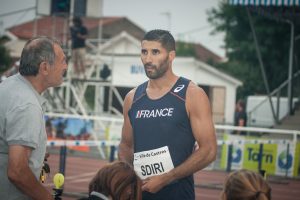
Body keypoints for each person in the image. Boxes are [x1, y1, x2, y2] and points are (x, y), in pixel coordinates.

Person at [118, 29, 217, 200]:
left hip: (178, 194)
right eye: (144, 52)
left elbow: (209, 150)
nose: (148, 59)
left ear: (171, 56)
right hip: (140, 194)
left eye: (155, 52)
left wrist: (167, 177)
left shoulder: (192, 94)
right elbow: (126, 146)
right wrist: (132, 177)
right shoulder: (132, 98)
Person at [0, 36, 68, 200]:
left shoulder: (8, 86)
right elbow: (17, 172)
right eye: (63, 61)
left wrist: (35, 154)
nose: (65, 67)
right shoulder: (27, 105)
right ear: (44, 67)